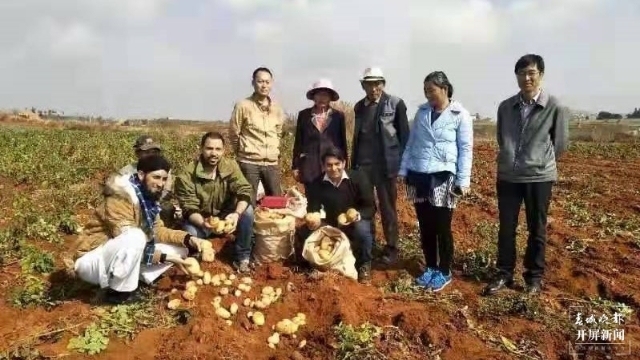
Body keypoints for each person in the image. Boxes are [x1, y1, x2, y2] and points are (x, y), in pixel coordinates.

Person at [69, 154, 211, 304]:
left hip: (119, 255)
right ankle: (117, 294)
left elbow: (158, 231)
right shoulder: (120, 197)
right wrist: (166, 258)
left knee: (181, 250)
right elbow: (129, 241)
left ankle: (136, 278)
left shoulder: (147, 199)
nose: (160, 183)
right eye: (156, 177)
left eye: (163, 179)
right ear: (141, 174)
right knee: (136, 237)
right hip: (94, 260)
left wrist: (189, 239)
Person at [483, 54, 570, 296]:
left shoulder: (554, 107)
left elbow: (560, 143)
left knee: (536, 228)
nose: (526, 78)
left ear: (541, 74)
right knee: (506, 227)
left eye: (531, 72)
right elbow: (503, 139)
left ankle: (533, 277)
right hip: (509, 176)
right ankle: (504, 273)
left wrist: (539, 161)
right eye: (522, 73)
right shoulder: (506, 107)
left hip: (539, 177)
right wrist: (511, 159)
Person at [398, 71, 473, 292]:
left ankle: (444, 270)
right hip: (419, 174)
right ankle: (430, 266)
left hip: (443, 176)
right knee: (426, 225)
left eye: (431, 90)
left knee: (442, 225)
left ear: (444, 89)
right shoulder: (422, 113)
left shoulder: (460, 115)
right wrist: (404, 169)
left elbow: (466, 149)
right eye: (425, 91)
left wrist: (463, 180)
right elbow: (411, 144)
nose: (428, 94)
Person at [351, 67, 409, 265]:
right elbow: (357, 138)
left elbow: (404, 137)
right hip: (364, 167)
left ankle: (391, 248)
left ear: (383, 84)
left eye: (377, 83)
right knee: (366, 207)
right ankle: (370, 244)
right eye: (369, 83)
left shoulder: (395, 104)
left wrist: (402, 167)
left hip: (386, 167)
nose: (373, 87)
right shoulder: (359, 107)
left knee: (388, 209)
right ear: (363, 85)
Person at [173, 131, 255, 273]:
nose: (214, 153)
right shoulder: (187, 174)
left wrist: (236, 214)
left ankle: (242, 258)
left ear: (223, 150)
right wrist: (204, 223)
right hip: (201, 219)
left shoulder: (231, 166)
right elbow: (189, 207)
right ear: (201, 149)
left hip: (225, 218)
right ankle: (197, 258)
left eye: (218, 149)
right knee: (189, 231)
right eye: (209, 148)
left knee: (247, 211)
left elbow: (245, 190)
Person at [301, 147, 375, 283]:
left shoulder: (358, 179)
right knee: (304, 232)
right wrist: (314, 220)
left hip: (354, 222)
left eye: (337, 164)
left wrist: (357, 215)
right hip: (330, 223)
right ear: (323, 166)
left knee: (362, 229)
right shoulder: (316, 184)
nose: (333, 168)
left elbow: (370, 207)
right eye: (329, 165)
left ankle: (364, 264)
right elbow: (313, 209)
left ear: (344, 163)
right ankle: (312, 265)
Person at [229, 67, 286, 206]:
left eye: (267, 82)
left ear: (272, 83)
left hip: (271, 163)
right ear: (253, 83)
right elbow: (233, 133)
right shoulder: (243, 106)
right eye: (260, 81)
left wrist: (274, 151)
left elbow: (278, 133)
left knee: (276, 202)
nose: (264, 85)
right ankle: (249, 228)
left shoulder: (277, 108)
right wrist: (243, 151)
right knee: (248, 203)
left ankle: (270, 228)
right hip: (249, 162)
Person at [292, 79, 348, 194]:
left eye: (325, 95)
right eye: (319, 94)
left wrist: (345, 164)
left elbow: (343, 143)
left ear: (330, 97)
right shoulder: (304, 115)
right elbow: (298, 142)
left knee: (332, 199)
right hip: (310, 166)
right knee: (312, 202)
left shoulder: (338, 116)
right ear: (314, 97)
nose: (322, 98)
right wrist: (295, 166)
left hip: (332, 166)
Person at [119, 135, 181, 221]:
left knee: (167, 209)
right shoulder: (126, 172)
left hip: (156, 202)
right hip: (132, 206)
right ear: (137, 153)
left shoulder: (163, 169)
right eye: (147, 152)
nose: (151, 155)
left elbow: (166, 191)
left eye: (154, 152)